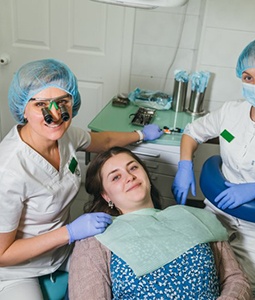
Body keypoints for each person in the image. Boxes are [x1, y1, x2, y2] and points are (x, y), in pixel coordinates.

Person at [0, 58, 163, 299]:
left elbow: (104, 141)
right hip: (18, 270)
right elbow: (3, 253)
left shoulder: (65, 136)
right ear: (23, 108)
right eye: (42, 104)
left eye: (62, 102)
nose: (54, 115)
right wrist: (70, 232)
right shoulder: (8, 171)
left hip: (62, 251)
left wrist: (139, 134)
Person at [171, 37, 255, 299]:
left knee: (239, 291)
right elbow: (192, 133)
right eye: (248, 77)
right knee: (192, 280)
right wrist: (185, 165)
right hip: (218, 213)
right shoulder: (231, 112)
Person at [68, 146, 251, 300]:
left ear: (146, 175)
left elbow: (236, 279)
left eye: (133, 168)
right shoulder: (95, 242)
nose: (129, 177)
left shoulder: (196, 218)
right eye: (116, 177)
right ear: (106, 195)